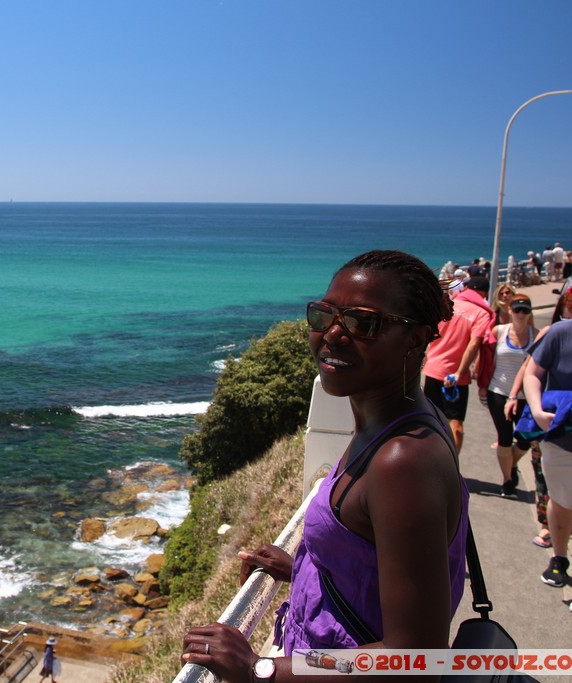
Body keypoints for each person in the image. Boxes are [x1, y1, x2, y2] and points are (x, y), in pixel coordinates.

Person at [181, 250, 467, 682]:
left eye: (362, 322)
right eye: (324, 315)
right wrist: (307, 566)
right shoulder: (396, 422)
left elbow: (416, 659)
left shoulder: (402, 459)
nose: (333, 334)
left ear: (415, 338)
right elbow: (376, 554)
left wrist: (258, 669)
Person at [522, 274, 572, 621]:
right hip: (561, 441)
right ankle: (559, 556)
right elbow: (533, 371)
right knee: (561, 504)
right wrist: (536, 410)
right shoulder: (561, 333)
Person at [423, 275, 494, 454]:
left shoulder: (448, 306)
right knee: (455, 425)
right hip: (455, 377)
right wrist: (459, 372)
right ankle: (451, 468)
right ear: (484, 293)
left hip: (432, 370)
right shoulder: (481, 313)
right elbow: (474, 343)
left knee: (429, 420)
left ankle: (429, 462)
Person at [484, 294, 537, 498]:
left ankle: (510, 463)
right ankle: (507, 481)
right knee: (505, 438)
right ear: (510, 310)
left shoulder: (537, 334)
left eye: (525, 310)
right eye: (517, 310)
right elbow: (487, 360)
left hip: (527, 397)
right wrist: (482, 384)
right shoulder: (499, 331)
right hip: (498, 392)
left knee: (524, 440)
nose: (521, 314)